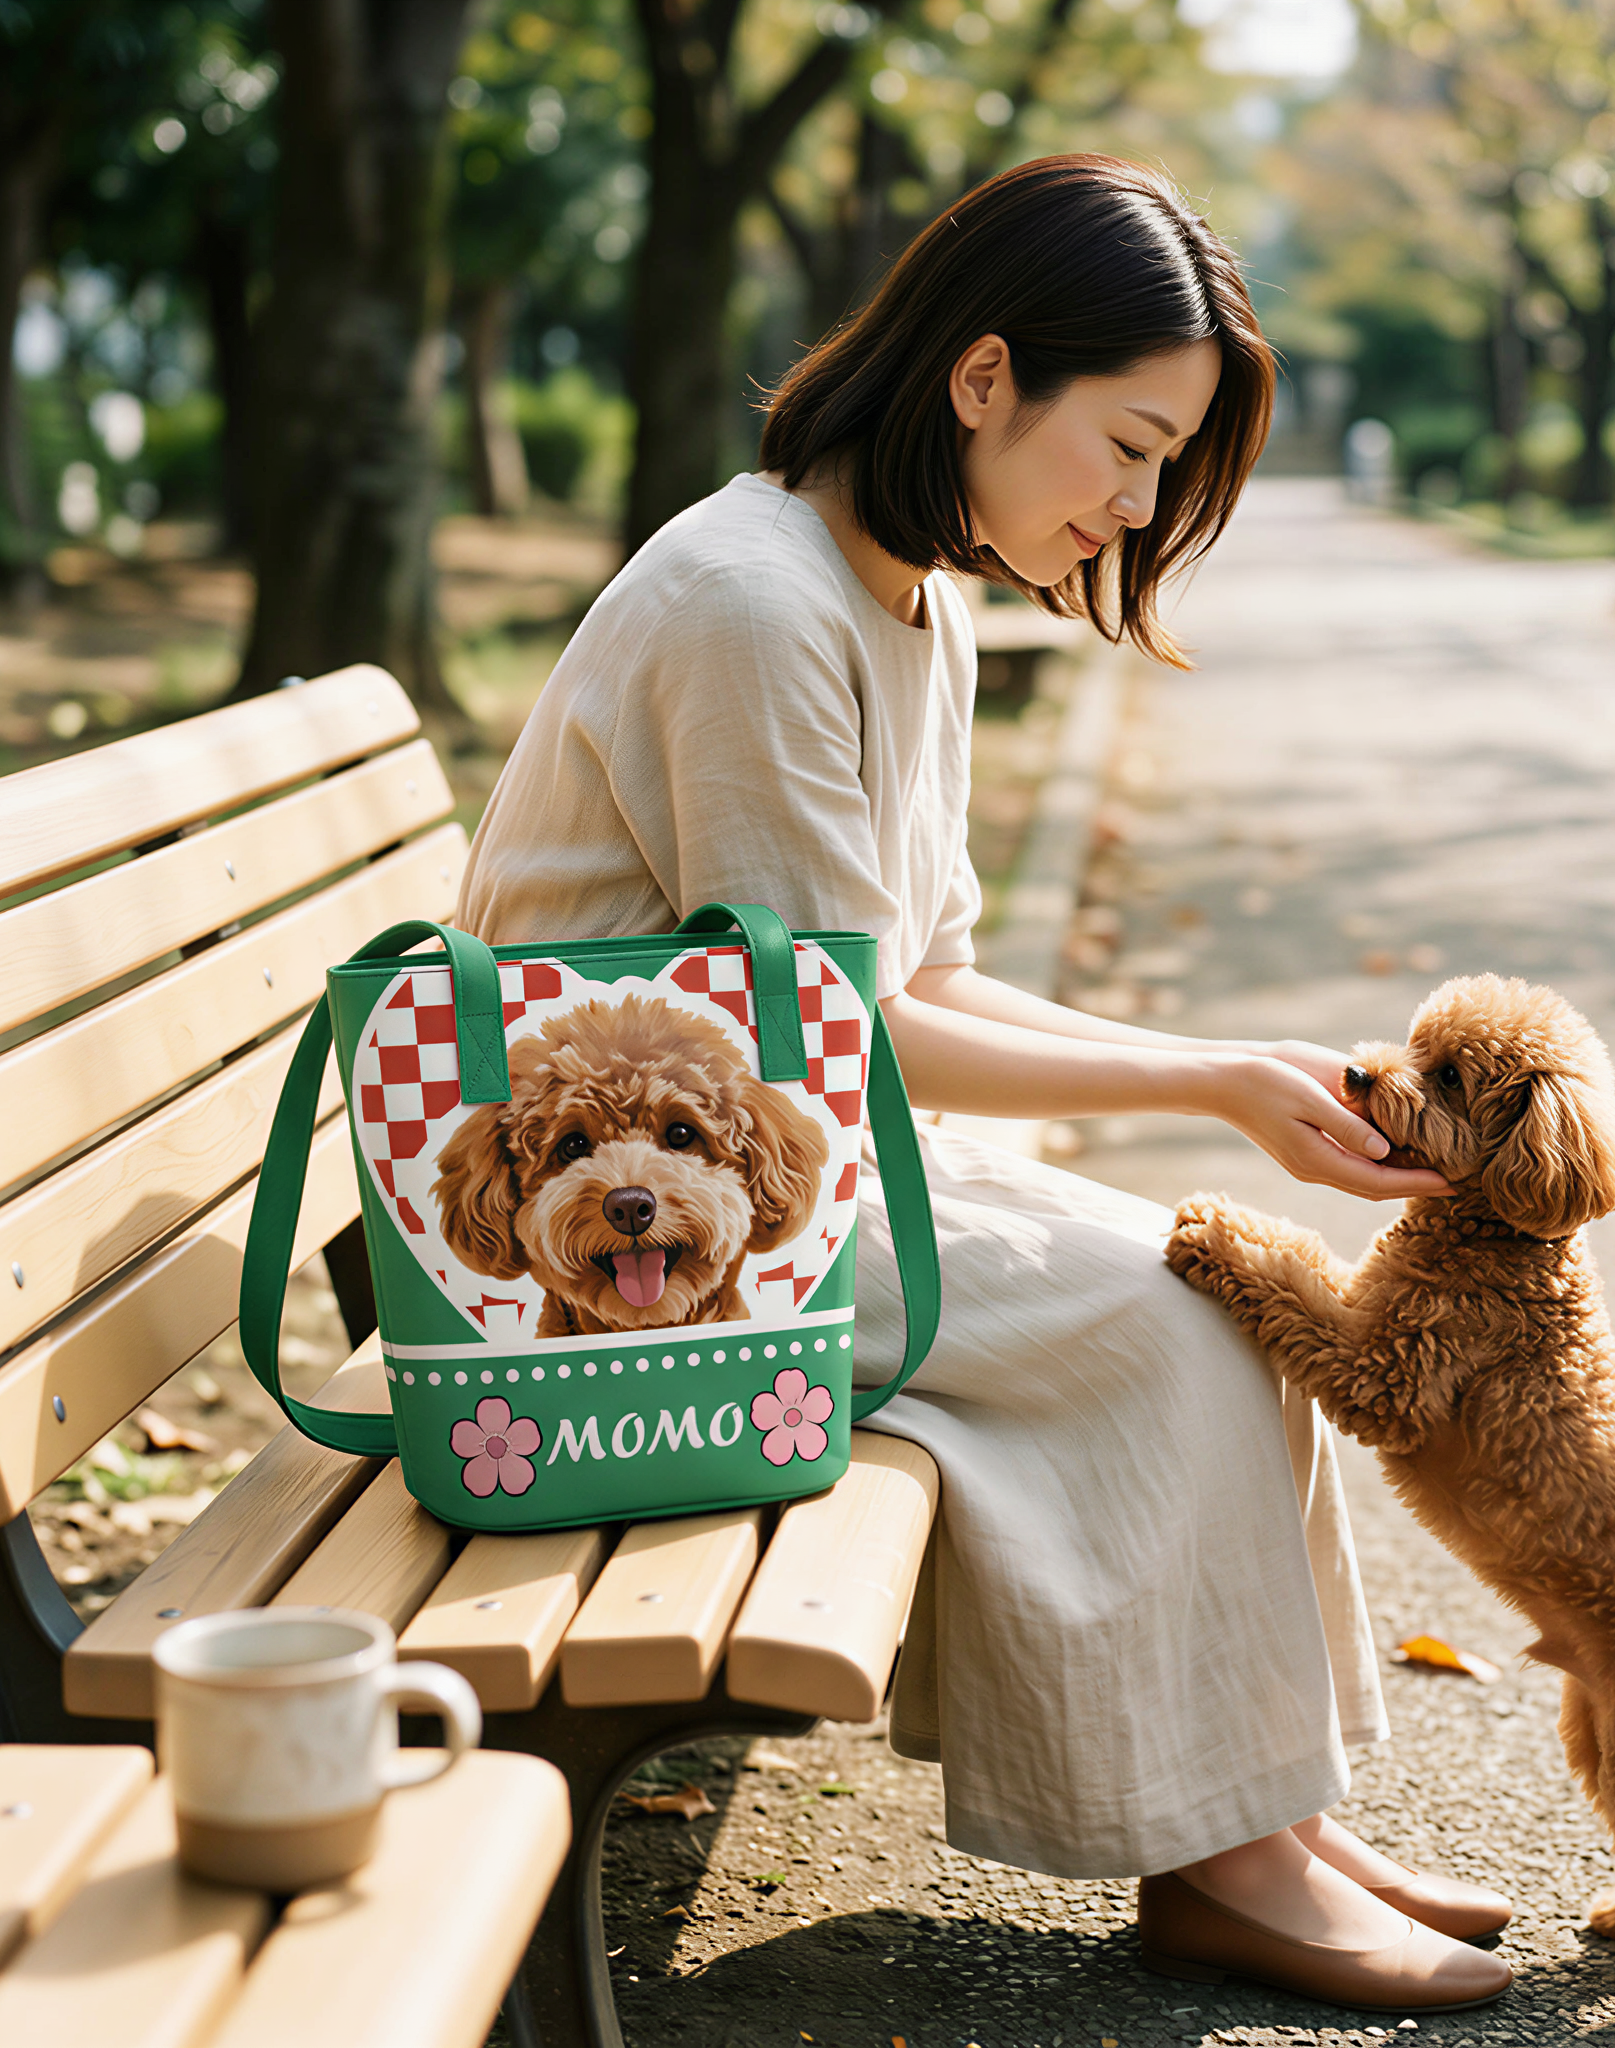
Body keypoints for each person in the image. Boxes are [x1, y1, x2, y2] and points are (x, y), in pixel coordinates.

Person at [456, 153, 1511, 2016]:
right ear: (983, 378)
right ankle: (1222, 1856)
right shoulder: (751, 606)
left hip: (764, 1184)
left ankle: (1261, 1811)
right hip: (604, 1253)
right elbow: (839, 1033)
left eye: (1168, 464)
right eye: (1129, 442)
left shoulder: (908, 598)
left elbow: (915, 975)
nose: (1138, 502)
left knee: (1220, 1274)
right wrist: (1200, 1076)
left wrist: (1232, 1075)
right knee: (1168, 1312)